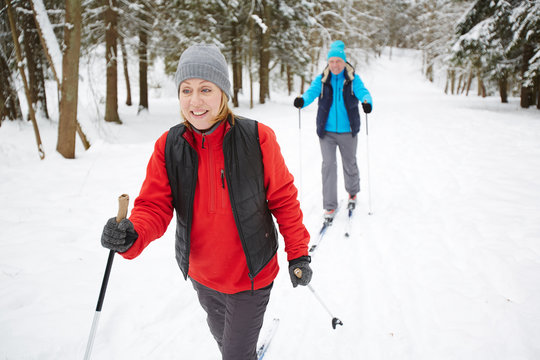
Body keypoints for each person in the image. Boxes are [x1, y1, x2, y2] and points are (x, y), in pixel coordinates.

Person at [100, 43, 312, 360]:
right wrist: (131, 234)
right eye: (186, 90)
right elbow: (153, 207)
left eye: (205, 89)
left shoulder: (257, 138)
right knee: (225, 342)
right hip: (202, 276)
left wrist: (298, 254)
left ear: (222, 93)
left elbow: (284, 199)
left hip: (250, 275)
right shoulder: (169, 145)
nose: (195, 101)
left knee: (235, 354)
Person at [294, 40, 373, 220]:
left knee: (349, 163)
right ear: (328, 63)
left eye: (338, 61)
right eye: (332, 61)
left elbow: (363, 92)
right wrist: (302, 100)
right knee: (328, 166)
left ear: (344, 62)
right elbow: (310, 93)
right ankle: (330, 205)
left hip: (348, 131)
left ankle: (352, 192)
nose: (335, 65)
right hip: (327, 132)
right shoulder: (322, 79)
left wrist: (367, 103)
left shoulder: (352, 79)